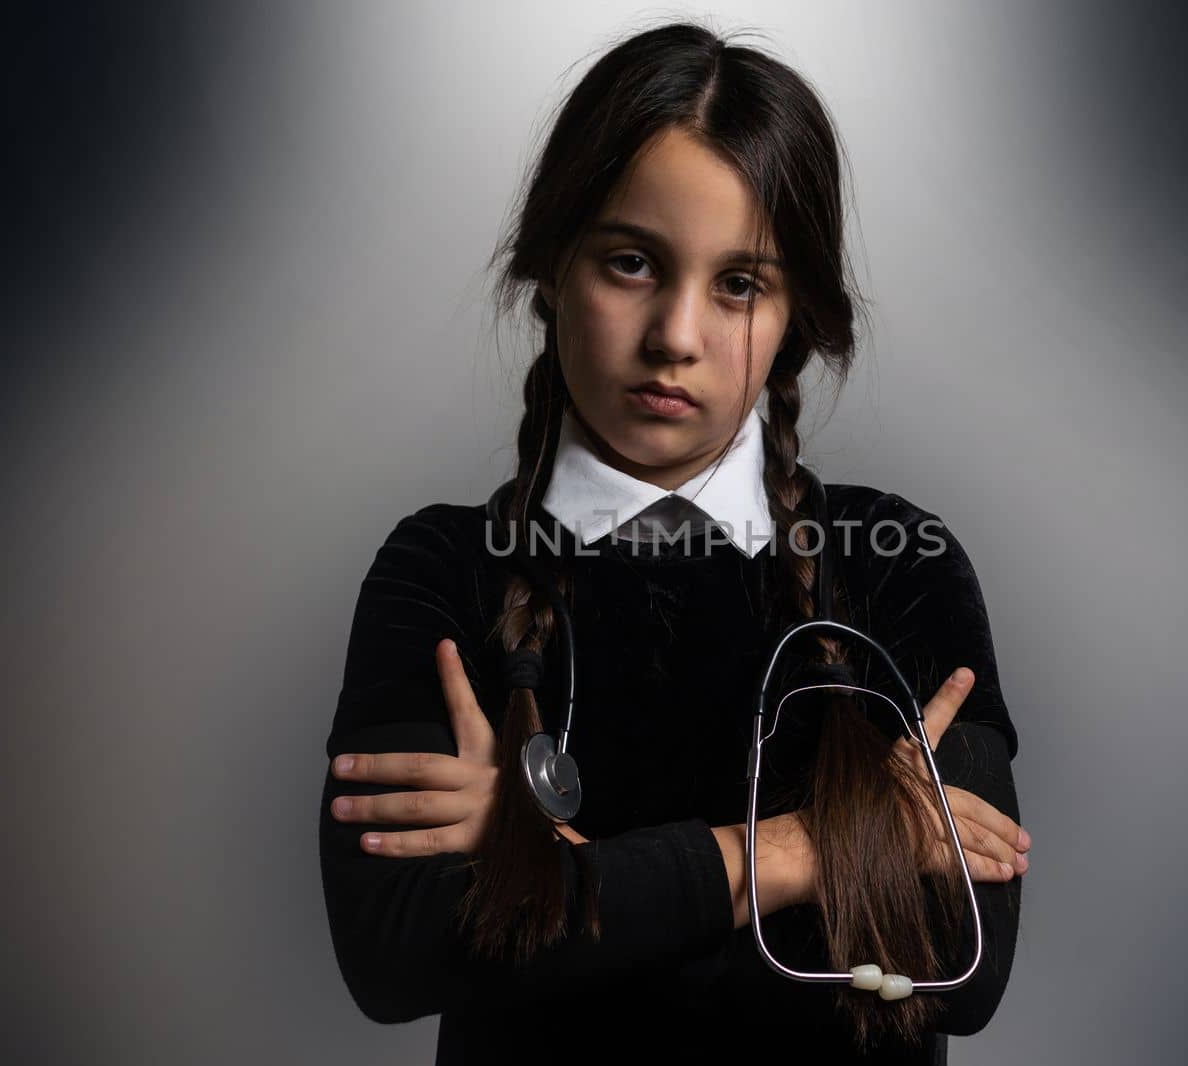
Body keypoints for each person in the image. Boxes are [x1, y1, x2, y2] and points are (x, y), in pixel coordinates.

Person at [318, 20, 1029, 1064]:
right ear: (554, 265)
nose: (676, 336)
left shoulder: (897, 563)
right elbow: (391, 958)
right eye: (632, 262)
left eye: (738, 283)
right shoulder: (442, 569)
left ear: (796, 314)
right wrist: (813, 849)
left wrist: (558, 879)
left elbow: (960, 967)